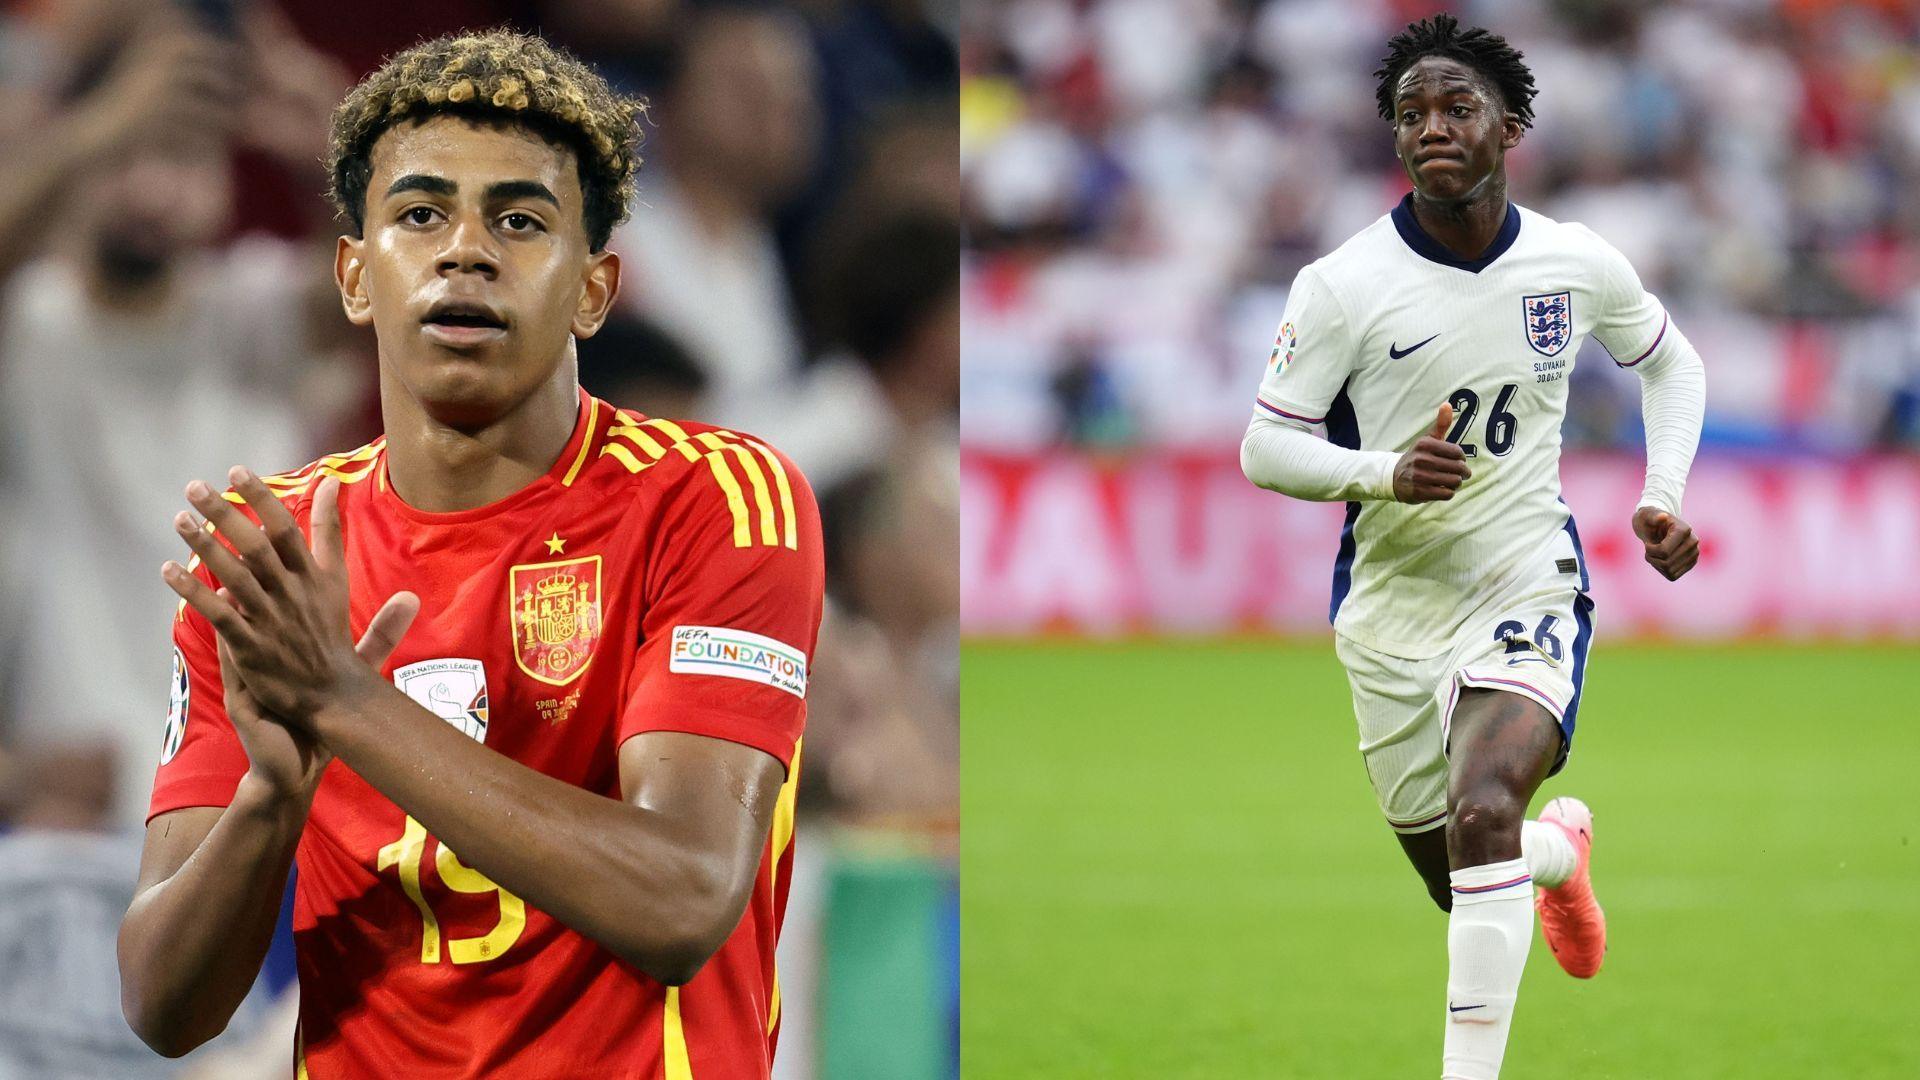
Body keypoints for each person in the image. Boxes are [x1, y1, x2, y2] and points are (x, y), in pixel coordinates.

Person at [117, 29, 824, 1079]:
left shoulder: (715, 500)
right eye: (419, 213)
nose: (465, 249)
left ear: (594, 288)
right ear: (356, 277)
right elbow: (163, 1007)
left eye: (521, 221)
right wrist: (272, 802)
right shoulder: (274, 561)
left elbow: (683, 899)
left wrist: (346, 702)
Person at [1237, 16, 1704, 1080]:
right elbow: (1265, 444)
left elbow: (1673, 365)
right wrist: (1382, 472)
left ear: (1513, 126)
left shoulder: (1573, 261)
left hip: (1523, 576)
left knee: (1483, 808)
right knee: (1469, 874)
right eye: (1412, 114)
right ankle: (1559, 857)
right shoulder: (1343, 286)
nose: (1432, 128)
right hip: (1391, 612)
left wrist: (1662, 495)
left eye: (1458, 108)